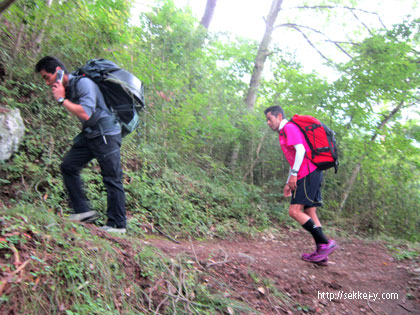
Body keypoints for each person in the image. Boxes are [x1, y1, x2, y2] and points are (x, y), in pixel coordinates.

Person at [35, 56, 126, 234]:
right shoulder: (69, 87)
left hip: (106, 134)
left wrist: (62, 100)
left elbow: (85, 113)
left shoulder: (84, 83)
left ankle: (118, 224)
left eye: (47, 77)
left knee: (112, 178)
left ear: (59, 72)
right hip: (91, 134)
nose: (46, 83)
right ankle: (83, 211)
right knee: (68, 166)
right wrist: (63, 96)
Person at [264, 105, 336, 264]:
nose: (268, 122)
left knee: (294, 211)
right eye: (267, 120)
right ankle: (321, 253)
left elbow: (301, 150)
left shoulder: (289, 128)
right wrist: (288, 181)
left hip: (307, 173)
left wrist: (295, 174)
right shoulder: (284, 132)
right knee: (310, 211)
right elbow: (293, 157)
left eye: (270, 119)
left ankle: (324, 243)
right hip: (310, 172)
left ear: (279, 117)